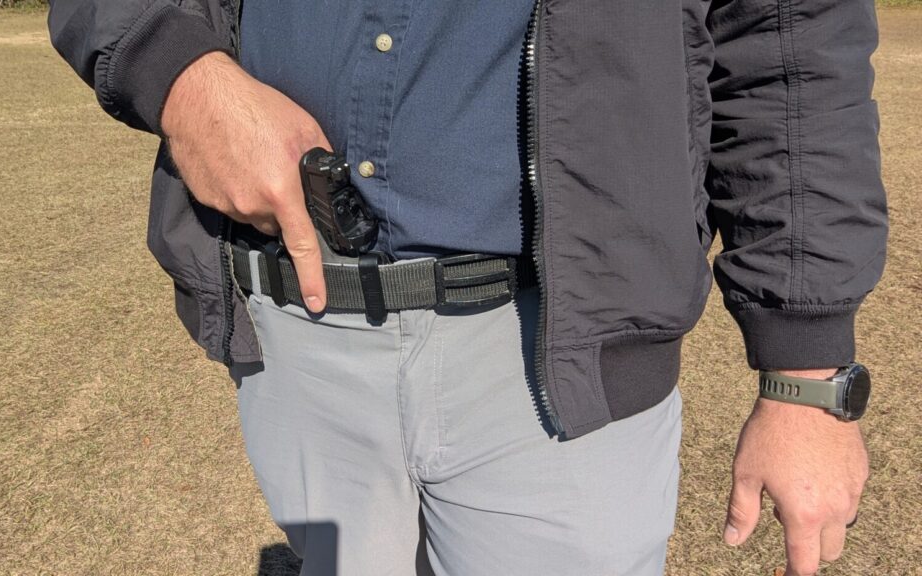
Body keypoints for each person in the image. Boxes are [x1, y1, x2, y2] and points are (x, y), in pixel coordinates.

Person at [48, 1, 888, 575]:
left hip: (556, 362)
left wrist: (807, 374)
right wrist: (181, 74)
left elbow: (788, 36)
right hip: (294, 330)